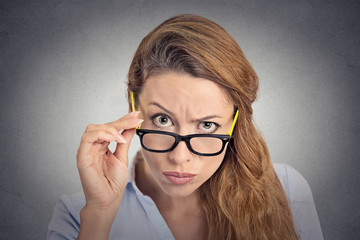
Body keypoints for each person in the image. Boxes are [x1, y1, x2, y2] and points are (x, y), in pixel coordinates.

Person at [47, 14, 323, 240]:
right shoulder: (78, 214)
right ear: (134, 107)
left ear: (236, 122)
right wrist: (100, 214)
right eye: (163, 120)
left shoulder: (287, 191)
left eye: (206, 125)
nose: (179, 157)